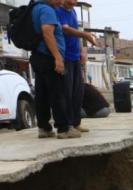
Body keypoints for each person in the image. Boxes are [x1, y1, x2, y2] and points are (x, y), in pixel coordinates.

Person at [31, 0, 76, 139]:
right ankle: (63, 129)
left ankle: (44, 128)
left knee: (42, 94)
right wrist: (57, 57)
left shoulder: (35, 8)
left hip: (38, 56)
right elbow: (47, 33)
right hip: (49, 57)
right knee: (58, 93)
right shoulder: (47, 10)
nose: (61, 2)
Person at [57, 0, 96, 133]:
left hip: (75, 57)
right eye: (69, 2)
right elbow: (66, 30)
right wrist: (85, 35)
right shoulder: (58, 11)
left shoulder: (73, 11)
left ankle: (76, 122)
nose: (72, 4)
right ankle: (67, 125)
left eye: (74, 2)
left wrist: (81, 51)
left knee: (78, 92)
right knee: (66, 92)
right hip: (65, 56)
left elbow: (76, 33)